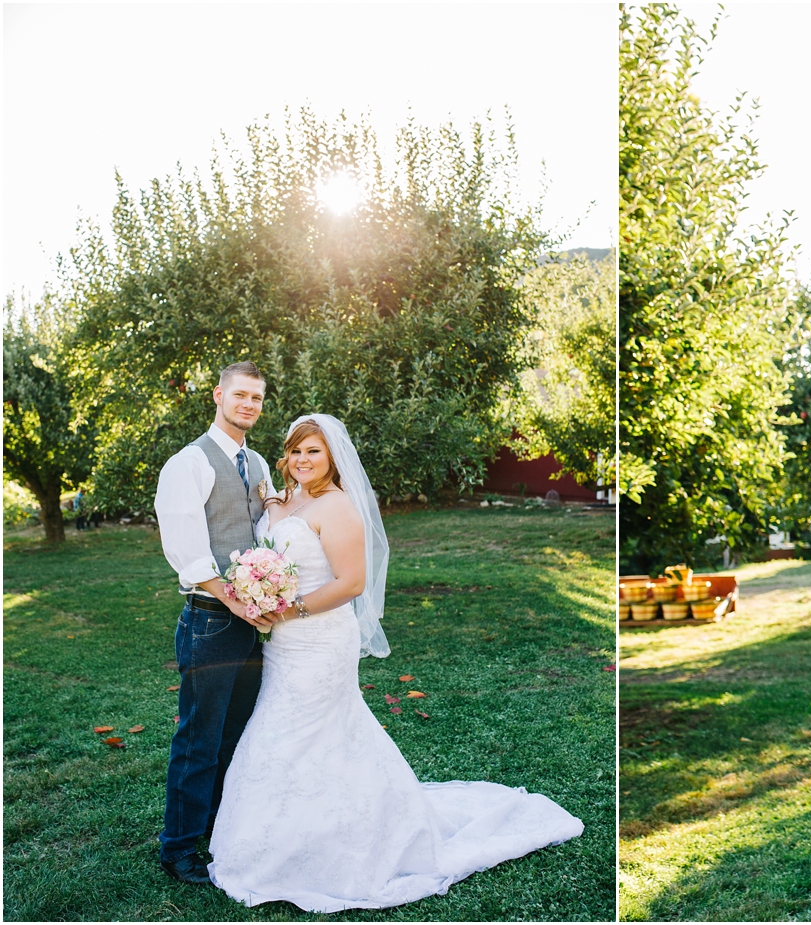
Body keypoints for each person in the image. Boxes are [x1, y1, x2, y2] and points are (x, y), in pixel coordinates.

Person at [204, 414, 583, 912]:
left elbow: (351, 584)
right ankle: (288, 840)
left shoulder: (339, 507)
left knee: (298, 731)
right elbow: (277, 529)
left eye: (313, 452)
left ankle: (334, 847)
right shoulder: (288, 498)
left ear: (333, 457)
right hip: (283, 642)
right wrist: (268, 545)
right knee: (288, 731)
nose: (302, 460)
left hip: (318, 639)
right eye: (296, 451)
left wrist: (285, 608)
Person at [153, 361, 276, 885]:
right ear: (218, 396)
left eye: (257, 398)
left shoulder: (260, 461)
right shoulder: (189, 463)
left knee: (237, 732)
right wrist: (236, 599)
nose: (248, 404)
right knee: (199, 738)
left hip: (254, 621)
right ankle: (178, 848)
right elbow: (187, 552)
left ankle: (214, 827)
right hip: (211, 621)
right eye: (240, 395)